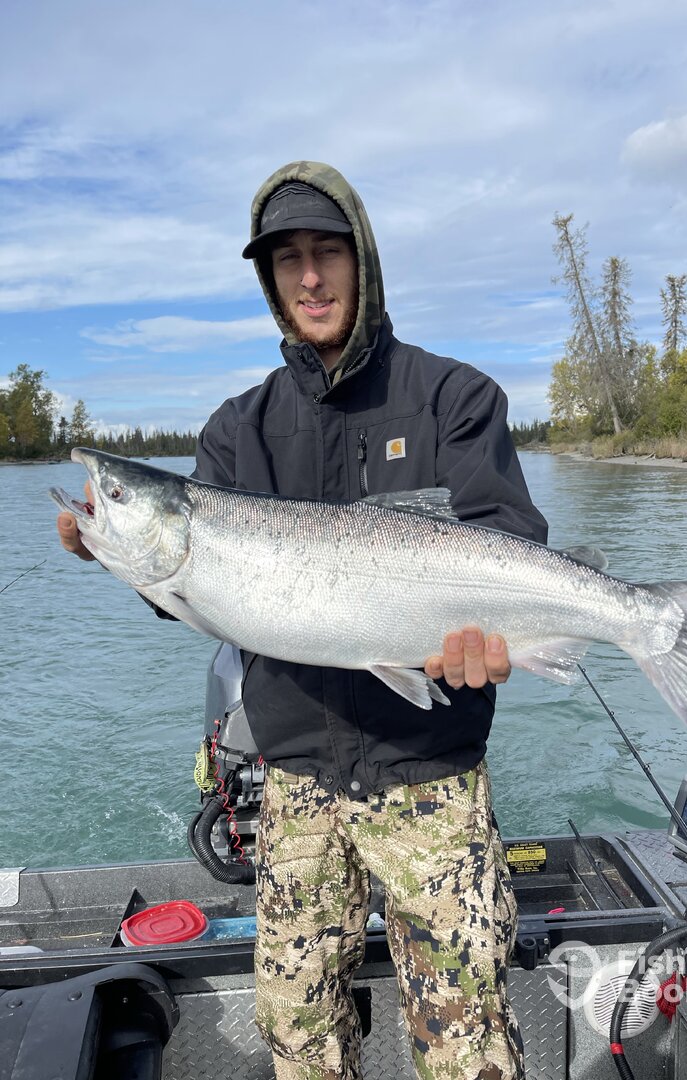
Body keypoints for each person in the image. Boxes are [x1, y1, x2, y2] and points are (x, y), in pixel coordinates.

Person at [57, 161, 549, 1080]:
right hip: (294, 791)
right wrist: (114, 546)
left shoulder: (455, 396)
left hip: (431, 778)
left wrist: (500, 637)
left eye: (329, 252)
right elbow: (193, 590)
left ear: (364, 260)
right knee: (300, 1040)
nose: (311, 278)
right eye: (289, 260)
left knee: (470, 1048)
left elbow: (509, 537)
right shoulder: (235, 429)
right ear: (269, 280)